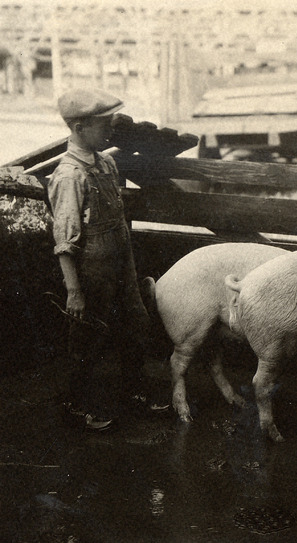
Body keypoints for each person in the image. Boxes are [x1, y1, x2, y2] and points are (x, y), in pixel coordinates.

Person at [48, 88, 167, 432]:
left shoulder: (106, 164)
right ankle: (75, 406)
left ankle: (134, 394)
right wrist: (74, 291)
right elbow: (65, 241)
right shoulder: (70, 176)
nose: (109, 131)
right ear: (79, 128)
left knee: (134, 325)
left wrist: (127, 272)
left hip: (120, 262)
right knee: (87, 338)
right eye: (103, 125)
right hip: (91, 269)